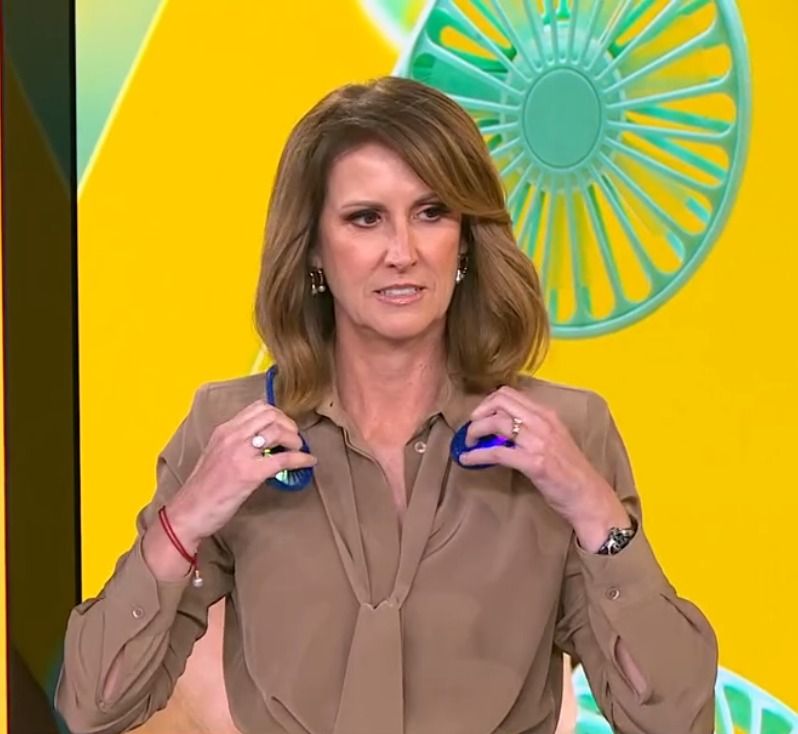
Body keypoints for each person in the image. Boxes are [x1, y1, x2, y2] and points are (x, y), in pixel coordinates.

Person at [55, 76, 718, 734]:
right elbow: (93, 704)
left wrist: (594, 509)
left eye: (432, 213)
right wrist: (186, 519)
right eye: (365, 218)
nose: (403, 253)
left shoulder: (568, 434)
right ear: (314, 249)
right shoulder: (229, 431)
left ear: (466, 240)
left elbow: (675, 720)